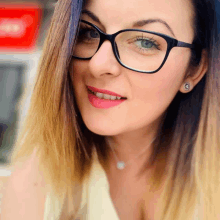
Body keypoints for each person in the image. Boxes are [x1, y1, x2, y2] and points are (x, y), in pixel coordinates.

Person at [1, 0, 220, 219]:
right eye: (88, 32)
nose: (98, 64)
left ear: (195, 68)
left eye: (145, 42)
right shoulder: (38, 175)